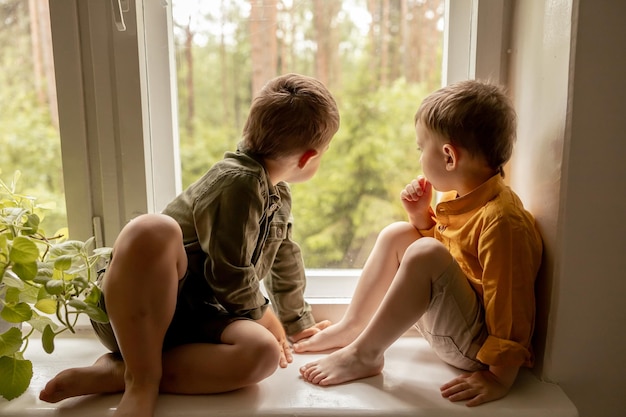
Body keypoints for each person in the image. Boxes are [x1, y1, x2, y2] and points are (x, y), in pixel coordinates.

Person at [39, 73, 339, 417]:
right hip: (136, 318)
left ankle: (120, 373)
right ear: (308, 158)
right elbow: (230, 273)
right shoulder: (237, 182)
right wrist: (265, 316)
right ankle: (141, 380)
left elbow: (285, 259)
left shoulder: (277, 195)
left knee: (263, 354)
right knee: (153, 228)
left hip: (198, 322)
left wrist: (297, 322)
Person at [295, 79, 543, 407]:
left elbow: (511, 304)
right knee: (398, 233)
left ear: (448, 156)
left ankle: (364, 355)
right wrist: (421, 220)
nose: (418, 156)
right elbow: (449, 266)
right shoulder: (465, 198)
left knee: (424, 251)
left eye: (419, 147)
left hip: (478, 353)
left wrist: (499, 377)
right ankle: (352, 328)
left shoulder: (502, 219)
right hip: (458, 328)